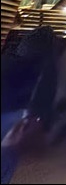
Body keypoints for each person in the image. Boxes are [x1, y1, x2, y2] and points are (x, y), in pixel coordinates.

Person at [1, 26, 59, 185]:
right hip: (18, 119)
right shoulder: (47, 67)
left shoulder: (7, 60)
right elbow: (45, 98)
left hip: (8, 115)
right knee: (7, 161)